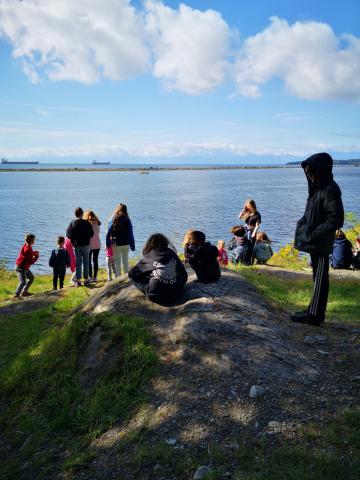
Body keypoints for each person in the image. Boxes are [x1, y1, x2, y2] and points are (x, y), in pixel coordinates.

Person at [292, 152, 344, 326]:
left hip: (321, 243)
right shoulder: (318, 188)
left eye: (312, 172)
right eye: (307, 172)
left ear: (320, 170)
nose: (309, 175)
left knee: (321, 279)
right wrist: (303, 227)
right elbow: (312, 214)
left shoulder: (330, 189)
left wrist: (314, 233)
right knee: (317, 277)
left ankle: (314, 315)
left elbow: (336, 219)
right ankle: (312, 310)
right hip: (315, 242)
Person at [128, 233, 188, 305]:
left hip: (156, 296)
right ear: (166, 242)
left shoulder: (150, 255)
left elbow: (132, 274)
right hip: (177, 294)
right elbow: (184, 275)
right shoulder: (171, 253)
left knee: (132, 277)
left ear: (150, 244)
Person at [66, 207, 94, 286]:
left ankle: (78, 280)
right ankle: (86, 279)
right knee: (86, 261)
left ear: (75, 214)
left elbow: (68, 234)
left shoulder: (72, 223)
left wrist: (73, 239)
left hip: (77, 245)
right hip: (86, 244)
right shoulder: (87, 223)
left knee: (78, 262)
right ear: (82, 214)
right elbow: (91, 234)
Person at [106, 204, 135, 277]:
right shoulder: (127, 220)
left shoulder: (114, 219)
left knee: (117, 263)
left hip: (116, 244)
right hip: (126, 243)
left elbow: (109, 233)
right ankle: (126, 278)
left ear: (118, 210)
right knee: (125, 262)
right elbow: (130, 233)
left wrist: (108, 244)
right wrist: (132, 245)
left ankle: (118, 279)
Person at [14, 233, 39, 299]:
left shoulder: (26, 245)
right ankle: (16, 295)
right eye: (34, 240)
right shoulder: (28, 249)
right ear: (31, 241)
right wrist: (36, 256)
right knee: (23, 281)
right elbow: (31, 261)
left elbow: (27, 254)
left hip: (23, 266)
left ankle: (24, 292)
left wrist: (33, 253)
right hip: (21, 267)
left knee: (31, 278)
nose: (34, 241)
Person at [84, 210, 101, 282]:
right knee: (95, 260)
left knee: (89, 261)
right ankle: (95, 277)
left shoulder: (87, 224)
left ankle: (90, 276)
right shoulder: (98, 223)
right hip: (97, 244)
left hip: (90, 245)